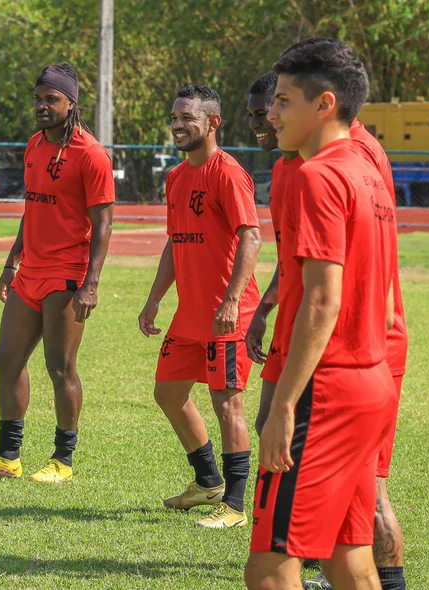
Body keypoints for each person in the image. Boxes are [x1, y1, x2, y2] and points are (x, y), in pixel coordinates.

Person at [246, 38, 397, 590]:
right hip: (369, 382)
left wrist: (284, 406)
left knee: (268, 567)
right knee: (347, 559)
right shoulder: (368, 170)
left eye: (284, 101)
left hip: (325, 391)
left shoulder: (318, 175)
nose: (272, 113)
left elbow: (322, 299)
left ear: (324, 105)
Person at [0, 63, 114, 484]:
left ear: (71, 104)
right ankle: (8, 457)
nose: (42, 106)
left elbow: (103, 225)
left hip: (67, 275)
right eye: (38, 98)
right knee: (7, 359)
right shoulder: (33, 145)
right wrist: (12, 262)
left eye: (52, 99)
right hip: (30, 272)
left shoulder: (92, 154)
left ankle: (62, 460)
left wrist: (90, 284)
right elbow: (33, 209)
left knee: (60, 368)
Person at [138, 85, 262, 529]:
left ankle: (234, 503)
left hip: (227, 314)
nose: (176, 124)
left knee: (227, 404)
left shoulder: (227, 173)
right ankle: (207, 481)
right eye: (174, 117)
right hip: (189, 315)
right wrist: (154, 299)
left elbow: (252, 235)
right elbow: (175, 242)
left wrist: (232, 300)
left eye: (187, 117)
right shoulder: (175, 178)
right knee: (168, 393)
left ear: (212, 123)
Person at [243, 71, 303, 436]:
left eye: (262, 113)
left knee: (291, 428)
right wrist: (264, 310)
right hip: (289, 316)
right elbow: (289, 258)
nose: (256, 123)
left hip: (316, 322)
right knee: (267, 423)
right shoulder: (281, 170)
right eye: (250, 115)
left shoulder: (323, 169)